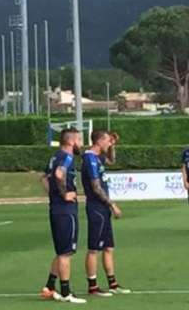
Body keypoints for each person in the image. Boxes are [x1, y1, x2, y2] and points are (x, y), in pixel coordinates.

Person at [39, 128, 87, 304]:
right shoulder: (67, 157)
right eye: (79, 140)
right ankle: (66, 292)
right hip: (65, 211)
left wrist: (53, 195)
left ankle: (50, 286)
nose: (81, 144)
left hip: (56, 209)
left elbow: (44, 178)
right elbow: (59, 175)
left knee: (61, 251)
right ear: (71, 141)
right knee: (66, 252)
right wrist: (64, 194)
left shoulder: (54, 157)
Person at [82, 130, 131, 297]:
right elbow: (96, 187)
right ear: (99, 141)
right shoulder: (89, 159)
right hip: (96, 208)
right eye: (108, 141)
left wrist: (113, 146)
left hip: (103, 207)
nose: (110, 143)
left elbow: (111, 160)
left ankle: (113, 283)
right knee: (94, 249)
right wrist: (113, 204)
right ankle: (93, 286)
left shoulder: (98, 157)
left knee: (109, 247)